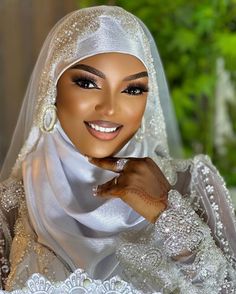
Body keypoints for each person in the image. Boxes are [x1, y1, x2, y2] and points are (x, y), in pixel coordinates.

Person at [0, 5, 235, 293]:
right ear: (53, 88)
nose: (110, 108)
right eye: (87, 83)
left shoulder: (193, 183)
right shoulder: (12, 206)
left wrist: (166, 213)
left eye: (133, 89)